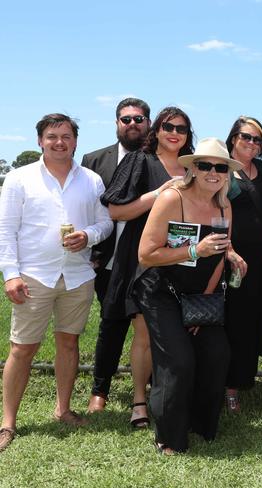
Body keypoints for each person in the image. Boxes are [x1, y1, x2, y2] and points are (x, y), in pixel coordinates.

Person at [0, 113, 113, 452]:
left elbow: (105, 223)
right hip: (33, 275)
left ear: (76, 141)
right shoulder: (19, 178)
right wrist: (11, 274)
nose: (59, 142)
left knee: (68, 343)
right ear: (40, 141)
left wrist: (88, 236)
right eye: (52, 136)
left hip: (77, 275)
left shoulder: (91, 180)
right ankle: (7, 423)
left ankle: (62, 409)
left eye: (66, 136)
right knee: (22, 348)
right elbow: (6, 230)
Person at [133, 138, 240, 454]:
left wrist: (203, 302)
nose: (213, 172)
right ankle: (168, 435)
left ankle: (201, 424)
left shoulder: (224, 204)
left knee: (217, 354)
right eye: (205, 165)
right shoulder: (171, 198)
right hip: (160, 291)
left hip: (199, 293)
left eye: (220, 167)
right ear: (193, 168)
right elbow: (146, 255)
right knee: (178, 361)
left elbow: (219, 254)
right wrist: (194, 249)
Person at [99, 106, 194, 428]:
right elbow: (115, 211)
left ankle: (167, 394)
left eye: (181, 129)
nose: (174, 133)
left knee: (175, 333)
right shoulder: (140, 160)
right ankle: (139, 402)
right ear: (157, 128)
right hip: (145, 256)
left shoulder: (192, 165)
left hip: (183, 258)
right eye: (168, 126)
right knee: (143, 333)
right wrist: (158, 194)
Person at [81, 97, 151, 415]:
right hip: (106, 260)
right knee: (111, 325)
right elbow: (86, 211)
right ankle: (100, 390)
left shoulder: (156, 160)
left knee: (148, 327)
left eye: (139, 119)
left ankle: (148, 385)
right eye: (127, 119)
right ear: (117, 123)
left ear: (148, 123)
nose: (133, 124)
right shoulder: (94, 161)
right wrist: (93, 252)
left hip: (147, 260)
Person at [223, 116, 262, 413]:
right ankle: (226, 389)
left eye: (257, 139)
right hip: (231, 258)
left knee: (253, 321)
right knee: (230, 323)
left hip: (260, 259)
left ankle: (242, 380)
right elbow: (214, 212)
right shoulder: (222, 170)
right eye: (246, 137)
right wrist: (228, 250)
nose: (251, 143)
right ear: (233, 139)